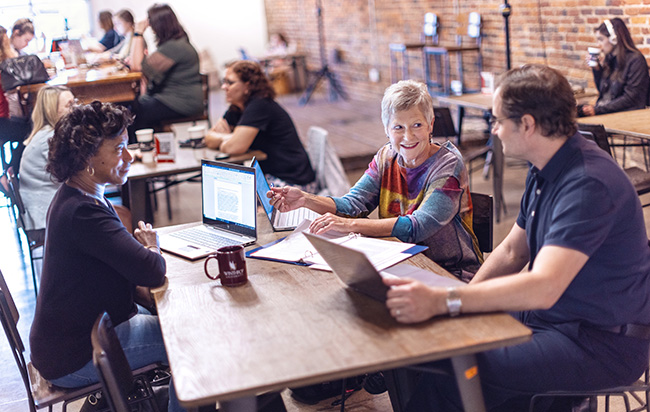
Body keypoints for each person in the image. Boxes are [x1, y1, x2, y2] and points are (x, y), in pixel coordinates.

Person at [391, 65, 650, 411]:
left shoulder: (588, 184)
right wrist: (464, 303)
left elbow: (544, 286)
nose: (493, 130)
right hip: (554, 320)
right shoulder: (545, 166)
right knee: (432, 348)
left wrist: (446, 301)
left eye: (497, 120)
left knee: (458, 365)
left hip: (599, 343)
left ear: (527, 124)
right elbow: (513, 251)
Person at [28, 101, 186, 412]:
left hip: (73, 341)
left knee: (175, 322)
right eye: (119, 149)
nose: (129, 157)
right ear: (87, 158)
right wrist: (151, 245)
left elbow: (129, 269)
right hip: (75, 357)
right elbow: (152, 271)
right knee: (189, 343)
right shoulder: (83, 212)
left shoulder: (77, 196)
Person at [269, 80, 482, 279]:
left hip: (450, 272)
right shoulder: (386, 157)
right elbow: (352, 204)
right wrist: (306, 199)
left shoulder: (448, 164)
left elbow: (417, 227)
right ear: (386, 130)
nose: (408, 137)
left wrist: (348, 225)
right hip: (401, 263)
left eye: (417, 125)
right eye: (398, 127)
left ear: (430, 125)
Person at [205, 60, 317, 191]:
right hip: (271, 176)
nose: (224, 87)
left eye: (230, 82)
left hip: (293, 183)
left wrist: (229, 139)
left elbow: (234, 147)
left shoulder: (260, 105)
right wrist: (230, 137)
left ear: (248, 86)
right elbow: (209, 139)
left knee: (233, 193)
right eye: (224, 82)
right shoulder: (237, 108)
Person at [128, 3, 202, 142]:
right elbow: (140, 64)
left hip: (182, 102)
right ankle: (157, 144)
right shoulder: (175, 43)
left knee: (135, 112)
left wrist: (138, 32)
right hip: (176, 98)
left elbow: (136, 66)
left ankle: (140, 148)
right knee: (137, 107)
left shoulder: (174, 47)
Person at [18, 86, 75, 239]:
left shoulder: (48, 134)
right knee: (114, 219)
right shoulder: (49, 139)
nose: (75, 109)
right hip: (45, 219)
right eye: (69, 105)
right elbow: (73, 175)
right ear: (52, 110)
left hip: (49, 210)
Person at [579, 18, 649, 116]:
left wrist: (598, 110)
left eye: (601, 39)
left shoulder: (635, 60)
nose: (598, 44)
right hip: (606, 112)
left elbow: (631, 98)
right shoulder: (610, 58)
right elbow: (603, 92)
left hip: (624, 115)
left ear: (614, 39)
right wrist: (597, 69)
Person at [0, 25, 31, 169]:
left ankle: (10, 171)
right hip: (3, 121)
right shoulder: (5, 65)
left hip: (4, 119)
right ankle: (11, 171)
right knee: (34, 130)